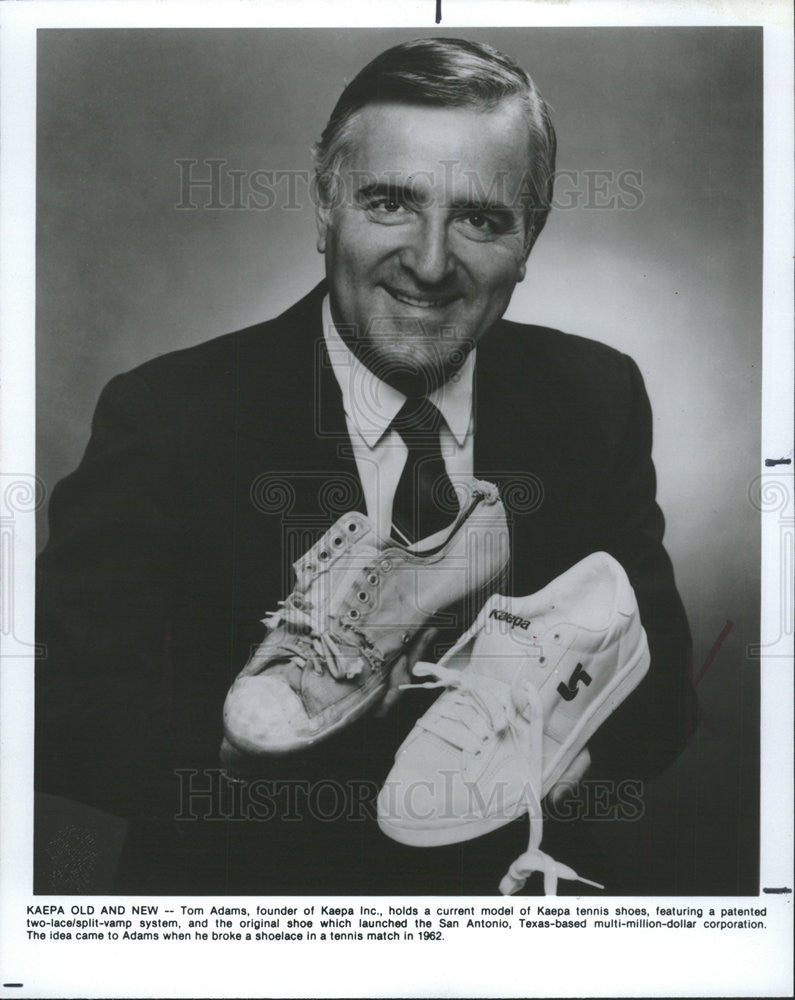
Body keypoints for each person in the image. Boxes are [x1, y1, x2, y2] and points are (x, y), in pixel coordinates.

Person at [35, 37, 696, 895]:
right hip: (252, 918)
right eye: (390, 203)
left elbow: (662, 694)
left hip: (512, 911)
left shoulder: (592, 395)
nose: (428, 262)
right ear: (323, 209)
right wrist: (235, 756)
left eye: (482, 218)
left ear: (529, 236)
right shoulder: (173, 414)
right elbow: (50, 705)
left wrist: (565, 744)